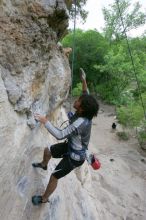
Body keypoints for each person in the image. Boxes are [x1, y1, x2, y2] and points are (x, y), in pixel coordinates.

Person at [32, 68, 99, 205]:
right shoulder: (86, 112)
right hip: (71, 146)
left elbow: (60, 134)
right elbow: (86, 93)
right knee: (47, 150)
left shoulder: (80, 123)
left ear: (82, 108)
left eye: (79, 100)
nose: (77, 99)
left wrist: (45, 121)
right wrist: (83, 80)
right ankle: (44, 164)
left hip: (75, 157)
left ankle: (44, 199)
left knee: (54, 176)